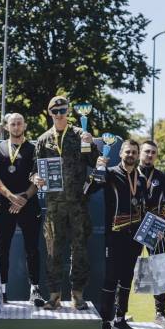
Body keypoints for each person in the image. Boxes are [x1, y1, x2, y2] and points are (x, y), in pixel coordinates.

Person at [34, 95, 99, 309]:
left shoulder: (81, 134)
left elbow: (95, 163)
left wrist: (91, 144)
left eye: (63, 111)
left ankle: (77, 295)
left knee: (79, 251)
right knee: (53, 252)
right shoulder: (43, 139)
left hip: (78, 205)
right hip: (54, 206)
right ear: (50, 113)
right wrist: (35, 178)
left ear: (68, 112)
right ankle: (54, 296)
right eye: (55, 111)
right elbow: (34, 170)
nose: (59, 115)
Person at [87, 139, 148, 329]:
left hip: (135, 238)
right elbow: (89, 190)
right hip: (115, 236)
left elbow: (144, 206)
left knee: (127, 279)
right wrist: (98, 169)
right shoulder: (110, 174)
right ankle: (105, 323)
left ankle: (120, 319)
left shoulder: (141, 178)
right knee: (111, 278)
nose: (131, 155)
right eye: (127, 151)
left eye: (134, 152)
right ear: (120, 153)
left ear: (137, 155)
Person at [0, 113, 43, 305]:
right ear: (6, 127)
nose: (16, 126)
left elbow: (38, 178)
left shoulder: (34, 149)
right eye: (13, 124)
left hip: (29, 204)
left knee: (32, 249)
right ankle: (2, 290)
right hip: (4, 205)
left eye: (20, 123)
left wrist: (24, 198)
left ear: (25, 125)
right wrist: (12, 197)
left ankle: (35, 290)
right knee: (2, 249)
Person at [138, 140, 165, 329]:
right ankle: (119, 313)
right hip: (131, 226)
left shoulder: (162, 177)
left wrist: (161, 222)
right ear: (140, 153)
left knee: (160, 268)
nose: (150, 155)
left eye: (153, 152)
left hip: (155, 228)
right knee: (125, 269)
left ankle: (160, 313)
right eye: (147, 151)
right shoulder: (129, 173)